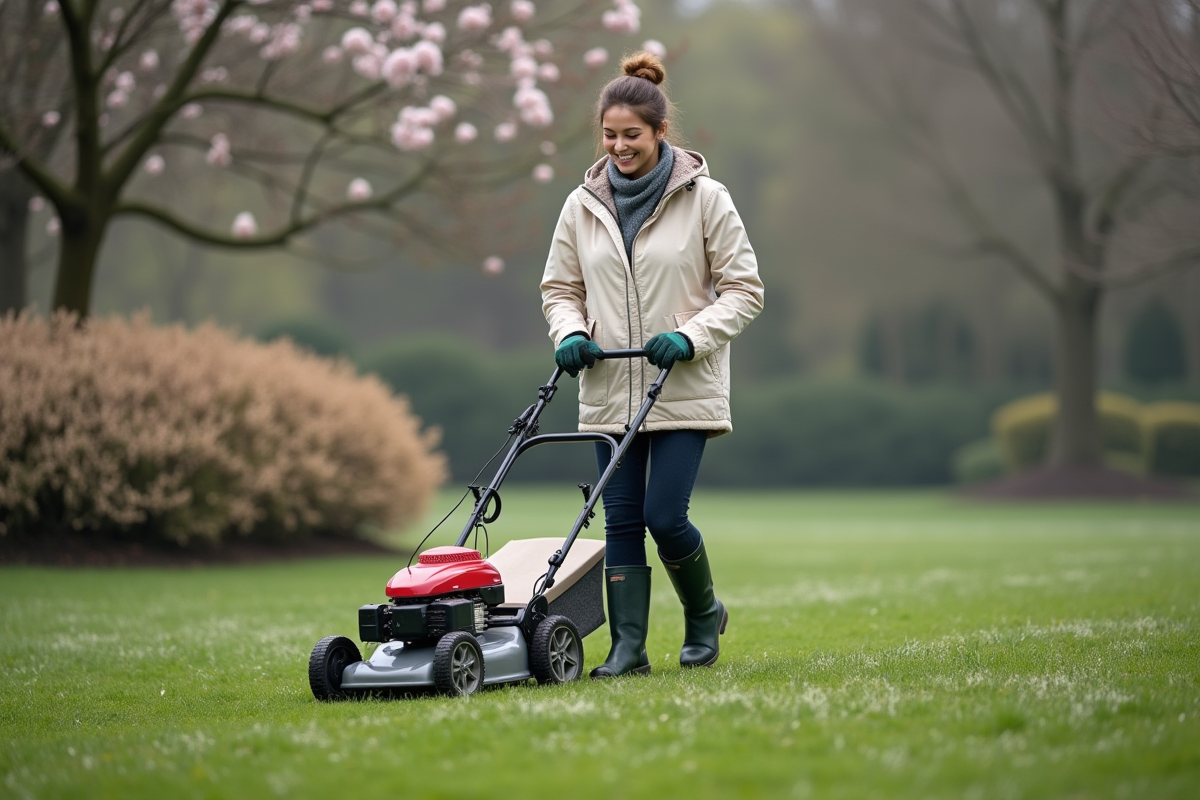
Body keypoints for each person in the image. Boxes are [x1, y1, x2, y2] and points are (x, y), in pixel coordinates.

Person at [540, 52, 765, 678]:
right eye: (609, 136)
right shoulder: (580, 206)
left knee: (665, 516)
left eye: (631, 135)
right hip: (610, 387)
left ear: (661, 132)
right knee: (620, 522)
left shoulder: (706, 199)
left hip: (682, 385)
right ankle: (628, 649)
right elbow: (561, 289)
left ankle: (703, 616)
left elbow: (744, 289)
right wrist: (571, 333)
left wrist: (691, 337)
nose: (618, 147)